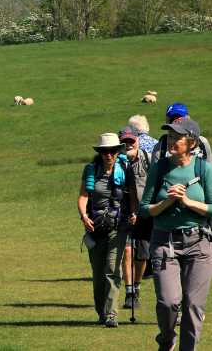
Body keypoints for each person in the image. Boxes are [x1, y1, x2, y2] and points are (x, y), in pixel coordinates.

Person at [140, 118, 212, 351]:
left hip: (198, 243)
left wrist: (188, 202)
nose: (171, 141)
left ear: (191, 142)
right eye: (169, 136)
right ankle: (167, 340)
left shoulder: (204, 169)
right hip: (164, 241)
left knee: (193, 306)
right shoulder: (159, 168)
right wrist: (167, 201)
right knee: (168, 302)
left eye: (177, 137)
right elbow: (144, 210)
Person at [79, 132, 131, 328]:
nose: (108, 155)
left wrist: (133, 213)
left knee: (112, 270)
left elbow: (132, 194)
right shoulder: (91, 170)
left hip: (117, 228)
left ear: (117, 152)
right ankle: (101, 311)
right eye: (104, 151)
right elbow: (83, 196)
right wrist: (84, 217)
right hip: (95, 226)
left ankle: (111, 314)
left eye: (111, 151)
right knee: (98, 272)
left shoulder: (125, 169)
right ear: (99, 153)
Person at [119, 126, 151, 309]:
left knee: (142, 255)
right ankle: (129, 291)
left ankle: (137, 286)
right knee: (128, 251)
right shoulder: (118, 162)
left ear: (137, 140)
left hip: (144, 215)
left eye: (131, 140)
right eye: (124, 141)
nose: (128, 144)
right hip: (123, 214)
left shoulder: (147, 159)